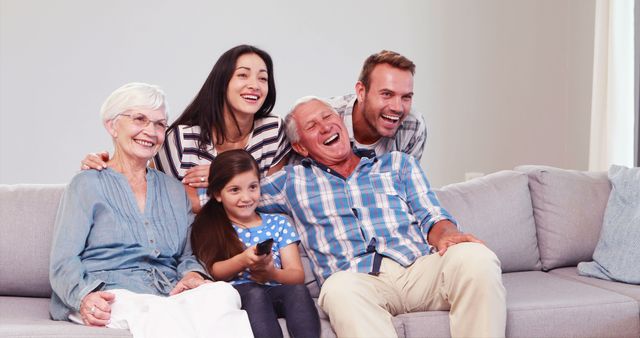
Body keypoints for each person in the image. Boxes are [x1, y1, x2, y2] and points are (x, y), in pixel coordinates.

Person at [258, 96, 507, 338]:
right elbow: (230, 193)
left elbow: (431, 215)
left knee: (476, 256)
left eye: (328, 116)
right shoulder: (290, 181)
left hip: (417, 270)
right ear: (300, 147)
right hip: (357, 280)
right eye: (312, 126)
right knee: (338, 290)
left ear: (342, 123)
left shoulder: (398, 164)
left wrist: (447, 234)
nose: (325, 127)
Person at [49, 83, 252, 338]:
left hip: (165, 291)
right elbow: (63, 260)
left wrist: (192, 274)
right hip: (108, 292)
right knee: (158, 313)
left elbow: (187, 254)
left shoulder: (174, 190)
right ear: (112, 126)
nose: (150, 131)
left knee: (223, 293)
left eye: (159, 124)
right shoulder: (86, 184)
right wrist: (83, 297)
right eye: (139, 119)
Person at [80, 45, 291, 212]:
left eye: (263, 78)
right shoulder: (182, 138)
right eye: (243, 75)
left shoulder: (272, 130)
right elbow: (153, 193)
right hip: (199, 242)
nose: (255, 85)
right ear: (222, 82)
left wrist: (224, 176)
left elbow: (277, 196)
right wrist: (102, 166)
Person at [190, 149, 320, 338]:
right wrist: (243, 260)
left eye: (253, 187)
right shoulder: (213, 226)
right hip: (239, 293)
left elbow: (297, 276)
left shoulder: (278, 223)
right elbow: (215, 271)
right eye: (235, 190)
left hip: (275, 289)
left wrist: (271, 273)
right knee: (255, 294)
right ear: (218, 194)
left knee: (298, 291)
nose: (246, 197)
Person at [326, 50, 427, 161]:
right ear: (361, 92)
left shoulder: (413, 126)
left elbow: (405, 177)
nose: (398, 108)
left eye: (406, 97)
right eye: (387, 94)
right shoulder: (322, 120)